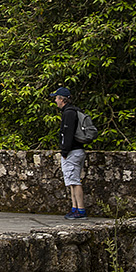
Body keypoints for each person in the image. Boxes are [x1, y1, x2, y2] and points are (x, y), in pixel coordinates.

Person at [53, 87, 87, 219]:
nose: (55, 100)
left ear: (62, 99)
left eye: (56, 98)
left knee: (75, 181)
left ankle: (81, 209)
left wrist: (65, 151)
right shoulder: (73, 111)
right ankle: (75, 207)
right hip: (76, 150)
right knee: (71, 181)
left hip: (73, 151)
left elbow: (67, 134)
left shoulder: (69, 113)